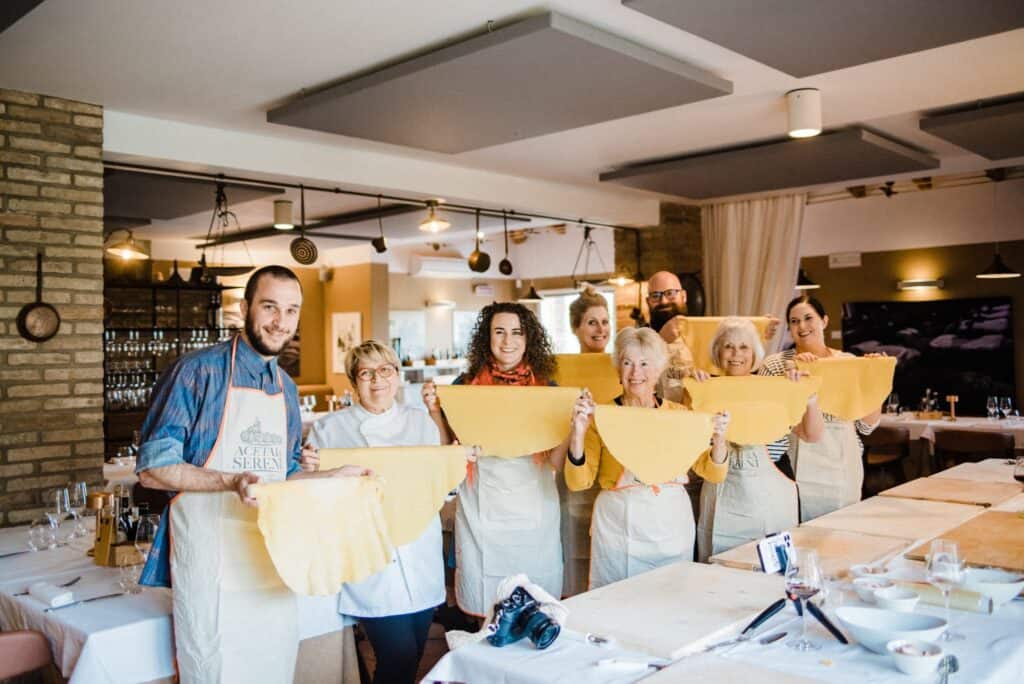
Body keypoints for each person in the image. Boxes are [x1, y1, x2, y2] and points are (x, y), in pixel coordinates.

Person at [136, 265, 369, 684]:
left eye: (291, 310)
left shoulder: (286, 387)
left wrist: (334, 477)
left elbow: (283, 478)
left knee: (273, 667)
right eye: (269, 307)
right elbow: (153, 469)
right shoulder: (197, 371)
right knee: (213, 668)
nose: (281, 321)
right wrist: (229, 481)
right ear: (244, 308)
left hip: (271, 559)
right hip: (211, 560)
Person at [302, 340, 470, 684]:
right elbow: (316, 495)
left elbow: (438, 485)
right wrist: (312, 469)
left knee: (412, 656)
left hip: (419, 555)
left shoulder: (421, 423)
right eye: (365, 373)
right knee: (397, 656)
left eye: (384, 370)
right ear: (353, 382)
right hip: (371, 561)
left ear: (396, 376)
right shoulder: (329, 429)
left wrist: (457, 460)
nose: (376, 380)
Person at [423, 302, 568, 617]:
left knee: (536, 603)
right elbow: (449, 450)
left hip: (535, 513)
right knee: (486, 608)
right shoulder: (465, 387)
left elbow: (558, 462)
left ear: (529, 338)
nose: (508, 341)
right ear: (486, 338)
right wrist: (435, 412)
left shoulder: (549, 390)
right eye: (499, 332)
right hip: (482, 512)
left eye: (516, 332)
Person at [565, 328, 730, 589]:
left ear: (658, 369)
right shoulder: (602, 416)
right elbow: (578, 482)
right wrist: (578, 432)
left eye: (644, 364)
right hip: (618, 530)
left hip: (671, 526)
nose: (635, 372)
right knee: (617, 602)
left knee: (671, 598)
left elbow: (713, 472)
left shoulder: (679, 414)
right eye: (627, 363)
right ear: (618, 369)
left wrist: (719, 438)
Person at [694, 317, 823, 562]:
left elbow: (812, 435)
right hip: (722, 506)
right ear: (716, 352)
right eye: (728, 346)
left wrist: (808, 396)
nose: (736, 354)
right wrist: (694, 390)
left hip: (772, 507)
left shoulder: (774, 389)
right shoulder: (705, 389)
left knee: (772, 578)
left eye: (744, 347)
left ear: (755, 354)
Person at [760, 295, 883, 522]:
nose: (802, 326)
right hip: (795, 462)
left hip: (843, 464)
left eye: (809, 318)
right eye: (794, 321)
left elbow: (866, 426)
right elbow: (769, 422)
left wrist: (874, 378)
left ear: (824, 321)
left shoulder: (847, 362)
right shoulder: (776, 364)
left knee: (843, 531)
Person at [569, 286, 611, 353]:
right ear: (575, 328)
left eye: (604, 322)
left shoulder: (621, 363)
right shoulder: (564, 363)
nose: (601, 329)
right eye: (592, 323)